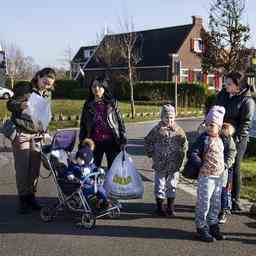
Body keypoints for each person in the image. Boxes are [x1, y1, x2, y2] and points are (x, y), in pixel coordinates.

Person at [7, 67, 56, 214]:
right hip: (21, 133)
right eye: (45, 81)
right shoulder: (25, 88)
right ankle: (23, 199)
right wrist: (20, 105)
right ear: (38, 77)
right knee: (23, 169)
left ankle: (31, 197)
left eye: (49, 83)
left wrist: (46, 125)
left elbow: (46, 113)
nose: (46, 85)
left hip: (37, 135)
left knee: (34, 169)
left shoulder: (47, 94)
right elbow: (10, 104)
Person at [215, 72, 255, 212]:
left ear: (238, 86)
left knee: (234, 166)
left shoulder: (247, 101)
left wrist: (234, 140)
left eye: (229, 83)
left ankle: (235, 199)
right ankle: (219, 197)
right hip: (220, 135)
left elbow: (246, 124)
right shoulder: (223, 94)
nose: (225, 85)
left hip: (237, 139)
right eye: (225, 82)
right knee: (220, 165)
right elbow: (214, 110)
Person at [144, 104, 188, 216]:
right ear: (162, 117)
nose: (169, 120)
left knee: (172, 184)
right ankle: (159, 207)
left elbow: (185, 144)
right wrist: (152, 152)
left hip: (174, 163)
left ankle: (170, 207)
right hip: (160, 163)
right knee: (160, 184)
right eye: (167, 117)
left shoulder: (178, 130)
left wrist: (183, 158)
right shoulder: (156, 129)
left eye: (172, 117)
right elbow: (148, 141)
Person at [193, 105, 226, 242]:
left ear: (218, 126)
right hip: (206, 177)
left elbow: (227, 153)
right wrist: (200, 164)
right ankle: (201, 227)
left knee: (215, 203)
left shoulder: (221, 139)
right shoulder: (203, 138)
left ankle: (213, 225)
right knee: (204, 202)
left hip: (219, 177)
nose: (208, 127)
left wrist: (225, 167)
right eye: (207, 124)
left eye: (212, 125)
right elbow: (193, 152)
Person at [79, 76, 127, 169]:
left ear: (104, 88)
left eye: (99, 86)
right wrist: (82, 143)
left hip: (112, 142)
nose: (96, 88)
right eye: (94, 86)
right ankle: (95, 183)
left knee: (114, 171)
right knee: (92, 169)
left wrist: (123, 140)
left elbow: (120, 123)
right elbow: (83, 125)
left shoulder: (112, 103)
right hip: (94, 142)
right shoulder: (88, 105)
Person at [64, 138, 109, 209]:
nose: (81, 162)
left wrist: (98, 170)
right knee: (95, 189)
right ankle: (89, 207)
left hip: (91, 183)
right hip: (81, 185)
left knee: (100, 188)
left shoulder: (90, 164)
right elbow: (69, 171)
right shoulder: (75, 165)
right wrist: (70, 175)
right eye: (80, 159)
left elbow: (94, 168)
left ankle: (105, 201)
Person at [219, 122, 237, 224]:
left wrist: (225, 164)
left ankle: (223, 211)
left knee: (224, 191)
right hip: (213, 168)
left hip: (225, 170)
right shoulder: (216, 137)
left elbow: (232, 153)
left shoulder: (229, 141)